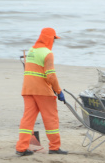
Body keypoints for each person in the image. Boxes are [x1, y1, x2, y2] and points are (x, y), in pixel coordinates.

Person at [15, 28, 67, 156]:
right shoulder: (47, 53)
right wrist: (58, 91)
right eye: (54, 39)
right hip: (42, 91)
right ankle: (54, 147)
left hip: (28, 89)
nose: (54, 42)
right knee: (51, 119)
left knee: (27, 119)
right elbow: (51, 76)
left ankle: (21, 148)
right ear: (50, 39)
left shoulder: (32, 50)